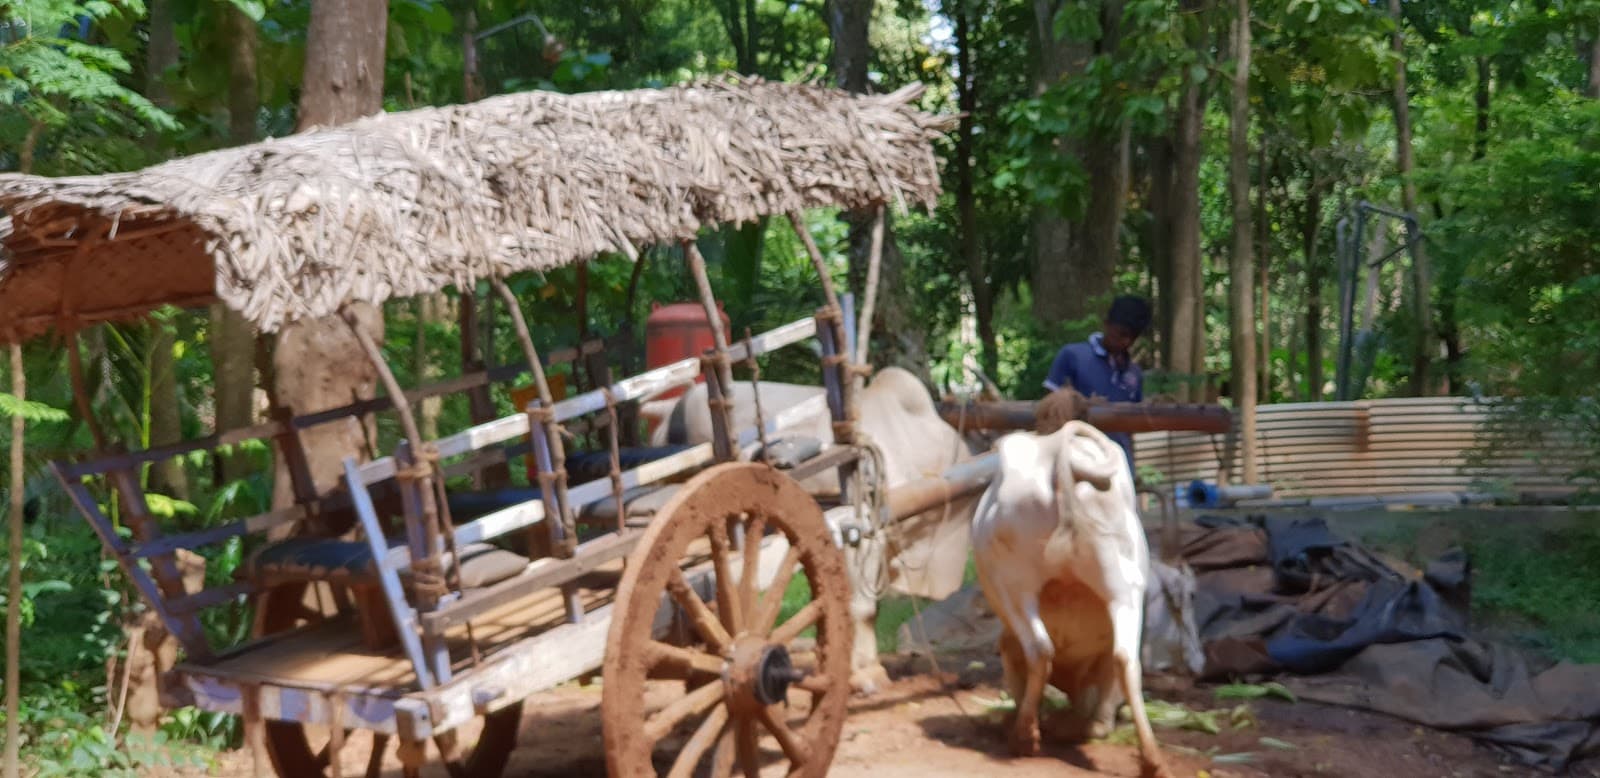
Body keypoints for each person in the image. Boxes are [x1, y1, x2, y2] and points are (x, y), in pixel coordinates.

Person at [1042, 294, 1151, 473]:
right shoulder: (1072, 356)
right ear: (1106, 324)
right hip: (1077, 458)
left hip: (1120, 463)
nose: (1125, 341)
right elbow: (1049, 407)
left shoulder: (1134, 373)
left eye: (1131, 337)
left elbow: (1131, 428)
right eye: (1120, 334)